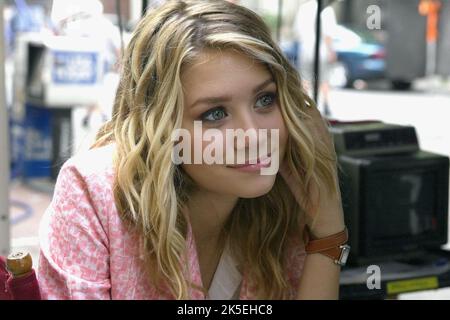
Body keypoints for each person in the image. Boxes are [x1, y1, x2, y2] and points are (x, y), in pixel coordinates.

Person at [38, 0, 346, 300]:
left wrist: (328, 230)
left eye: (264, 99)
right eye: (214, 114)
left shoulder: (285, 195)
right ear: (159, 128)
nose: (253, 136)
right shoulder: (94, 191)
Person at [294, 0, 338, 115]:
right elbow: (328, 34)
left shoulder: (303, 9)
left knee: (305, 78)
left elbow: (297, 31)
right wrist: (331, 50)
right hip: (321, 49)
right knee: (324, 79)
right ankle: (326, 105)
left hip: (305, 49)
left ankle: (303, 104)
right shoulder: (327, 10)